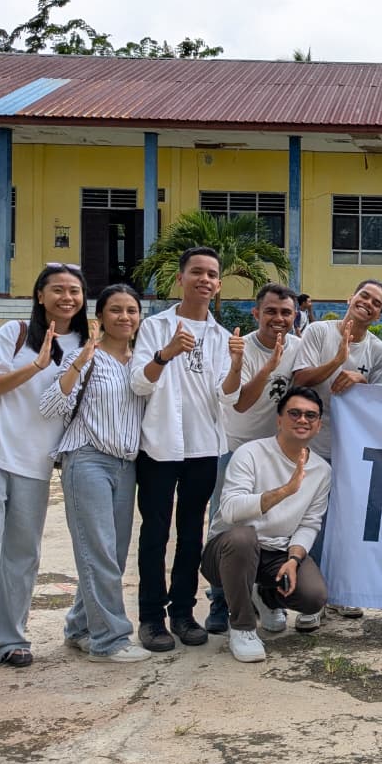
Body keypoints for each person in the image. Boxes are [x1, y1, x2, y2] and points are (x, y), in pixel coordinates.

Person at [0, 264, 89, 675]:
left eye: (74, 291)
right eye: (57, 289)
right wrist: (35, 366)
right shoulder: (16, 334)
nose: (67, 297)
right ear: (40, 296)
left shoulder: (85, 344)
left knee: (22, 556)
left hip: (37, 464)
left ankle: (10, 640)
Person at [131, 247, 244, 653]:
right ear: (180, 279)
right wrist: (166, 354)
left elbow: (226, 398)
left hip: (202, 447)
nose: (205, 279)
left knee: (191, 533)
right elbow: (139, 384)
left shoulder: (219, 335)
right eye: (197, 272)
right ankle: (151, 618)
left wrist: (234, 366)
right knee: (155, 532)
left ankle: (183, 611)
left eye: (212, 274)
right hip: (160, 446)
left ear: (218, 285)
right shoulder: (155, 327)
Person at [41, 283, 150, 663]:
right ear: (100, 316)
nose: (125, 317)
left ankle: (79, 626)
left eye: (132, 310)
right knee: (99, 551)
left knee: (112, 555)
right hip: (87, 459)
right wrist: (77, 363)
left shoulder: (141, 361)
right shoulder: (86, 355)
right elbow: (51, 404)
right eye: (116, 310)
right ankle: (110, 639)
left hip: (126, 464)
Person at [200, 387, 331, 663]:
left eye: (311, 415)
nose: (303, 420)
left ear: (319, 425)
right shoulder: (250, 453)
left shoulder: (321, 470)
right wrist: (285, 491)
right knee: (243, 538)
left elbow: (309, 524)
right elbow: (232, 510)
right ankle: (243, 627)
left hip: (276, 553)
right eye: (294, 413)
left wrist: (294, 560)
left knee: (313, 597)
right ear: (279, 419)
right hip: (227, 552)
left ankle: (267, 597)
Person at [202, 284, 302, 634]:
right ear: (256, 313)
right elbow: (241, 403)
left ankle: (266, 594)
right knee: (228, 524)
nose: (279, 319)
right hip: (235, 448)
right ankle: (219, 600)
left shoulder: (299, 347)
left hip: (276, 453)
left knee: (275, 527)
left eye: (286, 313)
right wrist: (270, 365)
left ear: (295, 317)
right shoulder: (241, 349)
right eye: (271, 311)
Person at [291, 279, 382, 623]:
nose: (368, 303)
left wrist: (362, 380)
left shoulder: (378, 351)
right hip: (311, 447)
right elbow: (300, 379)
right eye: (364, 295)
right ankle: (310, 601)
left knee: (344, 523)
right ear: (351, 297)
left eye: (376, 302)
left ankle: (339, 592)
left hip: (350, 451)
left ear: (379, 314)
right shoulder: (319, 332)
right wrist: (337, 359)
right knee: (309, 521)